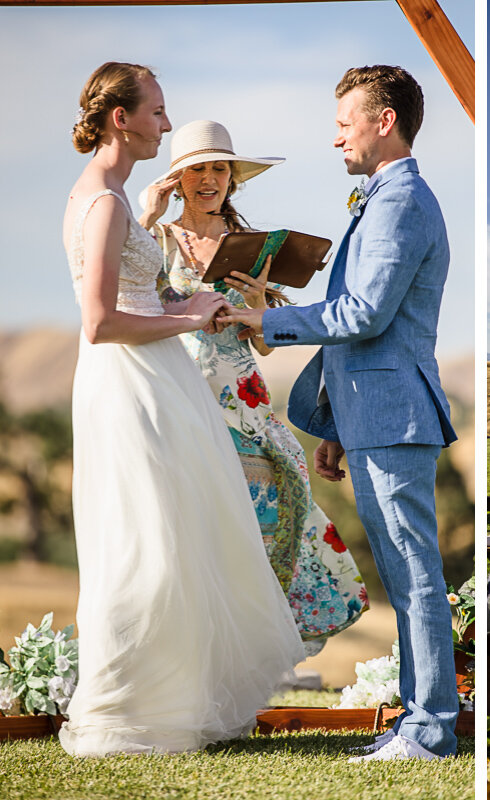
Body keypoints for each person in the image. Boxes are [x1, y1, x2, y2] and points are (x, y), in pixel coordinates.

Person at [57, 61, 305, 758]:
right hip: (131, 380)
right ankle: (128, 710)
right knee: (147, 543)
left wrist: (187, 306)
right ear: (121, 119)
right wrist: (191, 317)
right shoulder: (105, 203)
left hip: (153, 375)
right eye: (158, 112)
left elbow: (135, 302)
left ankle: (175, 702)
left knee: (169, 536)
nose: (163, 125)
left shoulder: (108, 197)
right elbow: (100, 322)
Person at [220, 65, 460, 761]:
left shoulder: (401, 201)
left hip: (395, 416)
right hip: (370, 415)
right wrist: (331, 424)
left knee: (416, 577)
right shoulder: (382, 198)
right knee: (405, 574)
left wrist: (271, 318)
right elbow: (363, 331)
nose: (337, 139)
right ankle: (419, 721)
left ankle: (431, 729)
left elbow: (362, 313)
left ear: (384, 122)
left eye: (344, 123)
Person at [142, 119, 365, 651]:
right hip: (182, 397)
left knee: (264, 523)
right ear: (178, 179)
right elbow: (135, 310)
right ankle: (196, 656)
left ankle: (254, 654)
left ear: (232, 178)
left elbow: (264, 345)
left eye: (220, 167)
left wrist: (258, 310)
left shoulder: (253, 247)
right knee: (195, 530)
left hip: (245, 402)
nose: (210, 178)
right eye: (198, 168)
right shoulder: (155, 241)